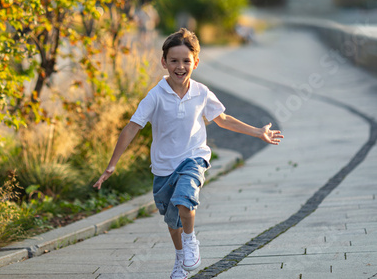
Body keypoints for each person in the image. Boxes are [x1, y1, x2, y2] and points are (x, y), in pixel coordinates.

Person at [93, 28, 283, 279]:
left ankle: (191, 240)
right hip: (163, 167)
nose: (180, 66)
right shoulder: (155, 95)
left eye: (186, 60)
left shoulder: (201, 92)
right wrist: (112, 164)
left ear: (196, 62)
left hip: (194, 158)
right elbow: (132, 128)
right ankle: (181, 258)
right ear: (164, 62)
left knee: (185, 200)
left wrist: (258, 132)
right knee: (173, 222)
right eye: (174, 60)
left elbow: (223, 119)